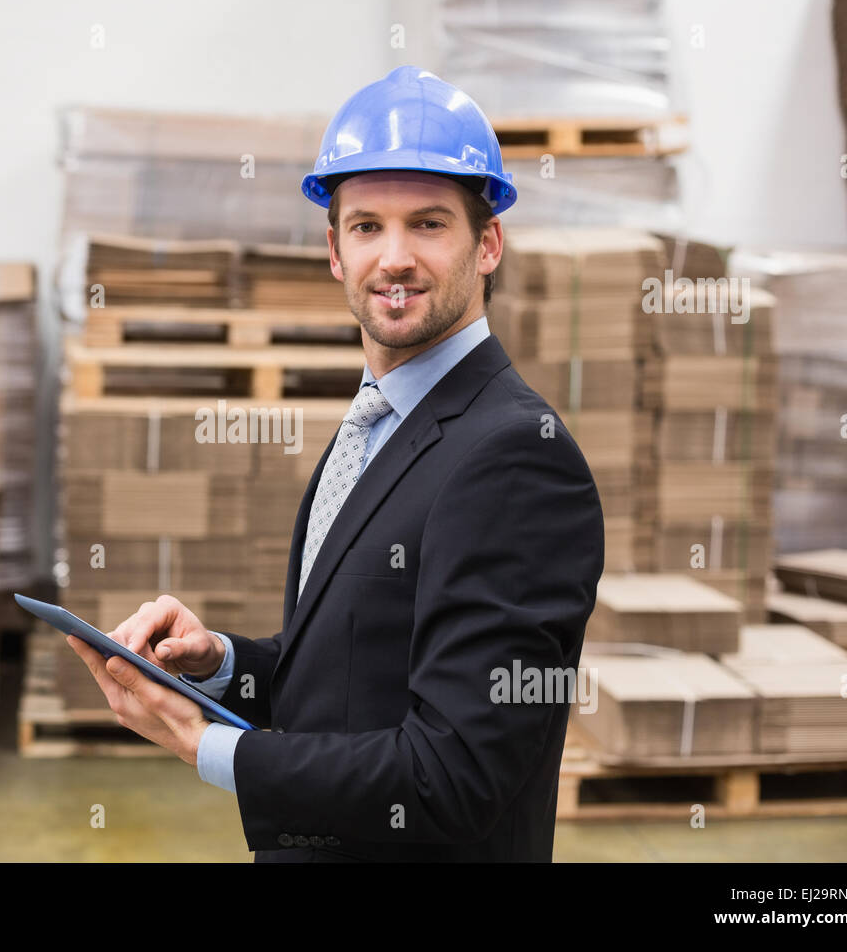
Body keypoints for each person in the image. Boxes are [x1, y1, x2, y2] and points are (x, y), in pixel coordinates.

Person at [65, 66, 605, 862]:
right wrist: (218, 665)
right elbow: (346, 679)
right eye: (366, 227)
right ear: (333, 249)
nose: (394, 259)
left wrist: (206, 747)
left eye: (428, 224)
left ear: (487, 244)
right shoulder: (379, 426)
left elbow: (452, 775)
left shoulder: (516, 459)